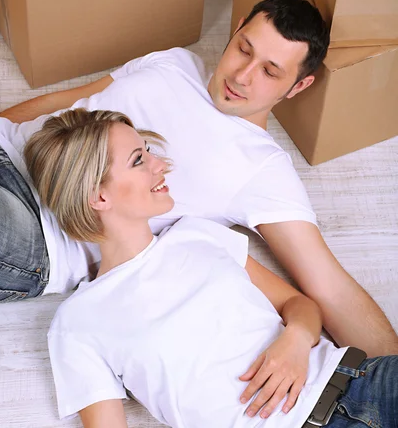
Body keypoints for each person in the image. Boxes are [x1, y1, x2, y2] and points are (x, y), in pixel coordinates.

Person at [0, 0, 397, 357]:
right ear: (237, 28)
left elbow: (332, 288)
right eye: (244, 49)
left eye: (270, 72)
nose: (242, 76)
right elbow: (67, 100)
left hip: (37, 230)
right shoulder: (173, 61)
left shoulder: (263, 168)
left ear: (299, 86)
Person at [23, 108, 398, 428]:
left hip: (366, 382)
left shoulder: (196, 234)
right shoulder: (77, 324)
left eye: (149, 151)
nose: (161, 165)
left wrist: (296, 340)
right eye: (139, 160)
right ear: (98, 196)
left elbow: (299, 305)